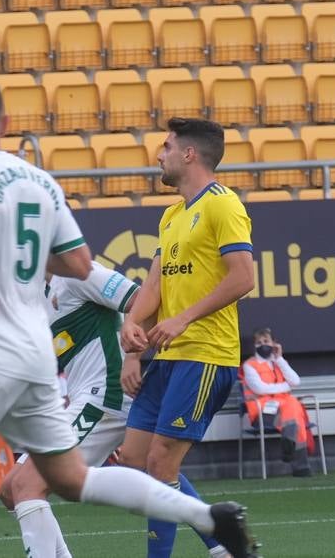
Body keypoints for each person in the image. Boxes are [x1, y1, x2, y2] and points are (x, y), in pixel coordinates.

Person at [0, 75, 256, 558]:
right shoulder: (40, 183)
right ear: (7, 124)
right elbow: (79, 262)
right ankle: (210, 520)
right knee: (59, 481)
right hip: (37, 358)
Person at [0, 265, 232, 558]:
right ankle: (221, 544)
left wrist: (132, 358)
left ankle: (221, 542)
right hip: (85, 400)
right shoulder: (37, 294)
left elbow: (143, 304)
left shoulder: (80, 273)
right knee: (9, 490)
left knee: (27, 484)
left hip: (106, 397)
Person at [119, 117, 257, 558]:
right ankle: (223, 542)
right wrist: (131, 327)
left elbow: (244, 277)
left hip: (205, 355)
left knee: (161, 466)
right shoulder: (171, 215)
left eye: (166, 146)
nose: (159, 154)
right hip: (168, 356)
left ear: (189, 154)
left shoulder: (223, 204)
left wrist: (183, 319)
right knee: (137, 463)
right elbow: (154, 286)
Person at [241, 327, 314, 477]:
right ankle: (301, 467)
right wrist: (285, 386)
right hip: (263, 413)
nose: (263, 345)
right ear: (254, 345)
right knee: (293, 412)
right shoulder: (249, 365)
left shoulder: (278, 362)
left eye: (266, 341)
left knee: (293, 413)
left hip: (284, 412)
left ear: (274, 343)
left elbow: (295, 381)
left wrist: (279, 358)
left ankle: (290, 448)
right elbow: (259, 389)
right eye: (259, 342)